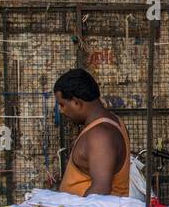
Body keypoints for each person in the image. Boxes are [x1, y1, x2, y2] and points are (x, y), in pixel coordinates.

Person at [52, 69, 132, 197]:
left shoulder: (100, 136)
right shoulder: (110, 122)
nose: (61, 111)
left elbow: (99, 193)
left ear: (76, 102)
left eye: (62, 104)